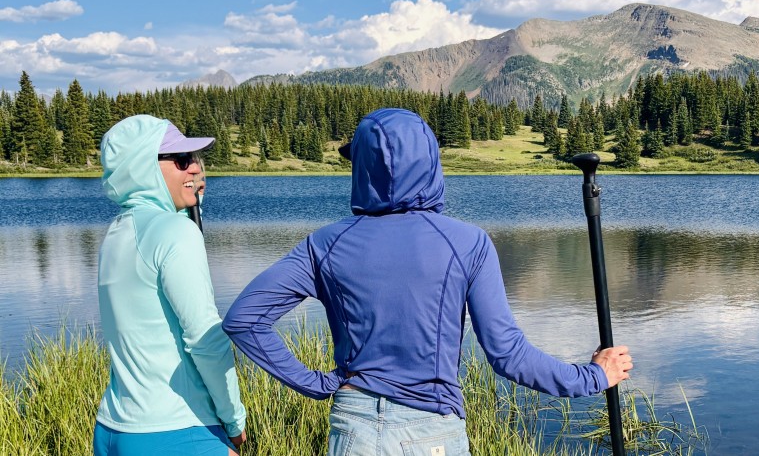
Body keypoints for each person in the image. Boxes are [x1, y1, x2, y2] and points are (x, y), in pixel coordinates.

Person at [222, 108, 632, 455]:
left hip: (355, 431)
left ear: (363, 170)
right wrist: (593, 376)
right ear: (431, 164)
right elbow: (507, 355)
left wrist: (317, 385)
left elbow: (244, 320)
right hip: (433, 433)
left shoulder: (325, 245)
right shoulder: (467, 243)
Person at [94, 114, 247, 456]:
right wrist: (234, 419)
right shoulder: (175, 233)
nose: (195, 168)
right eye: (182, 160)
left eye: (195, 159)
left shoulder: (117, 235)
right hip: (175, 430)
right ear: (143, 167)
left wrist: (193, 206)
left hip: (114, 430)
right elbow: (206, 341)